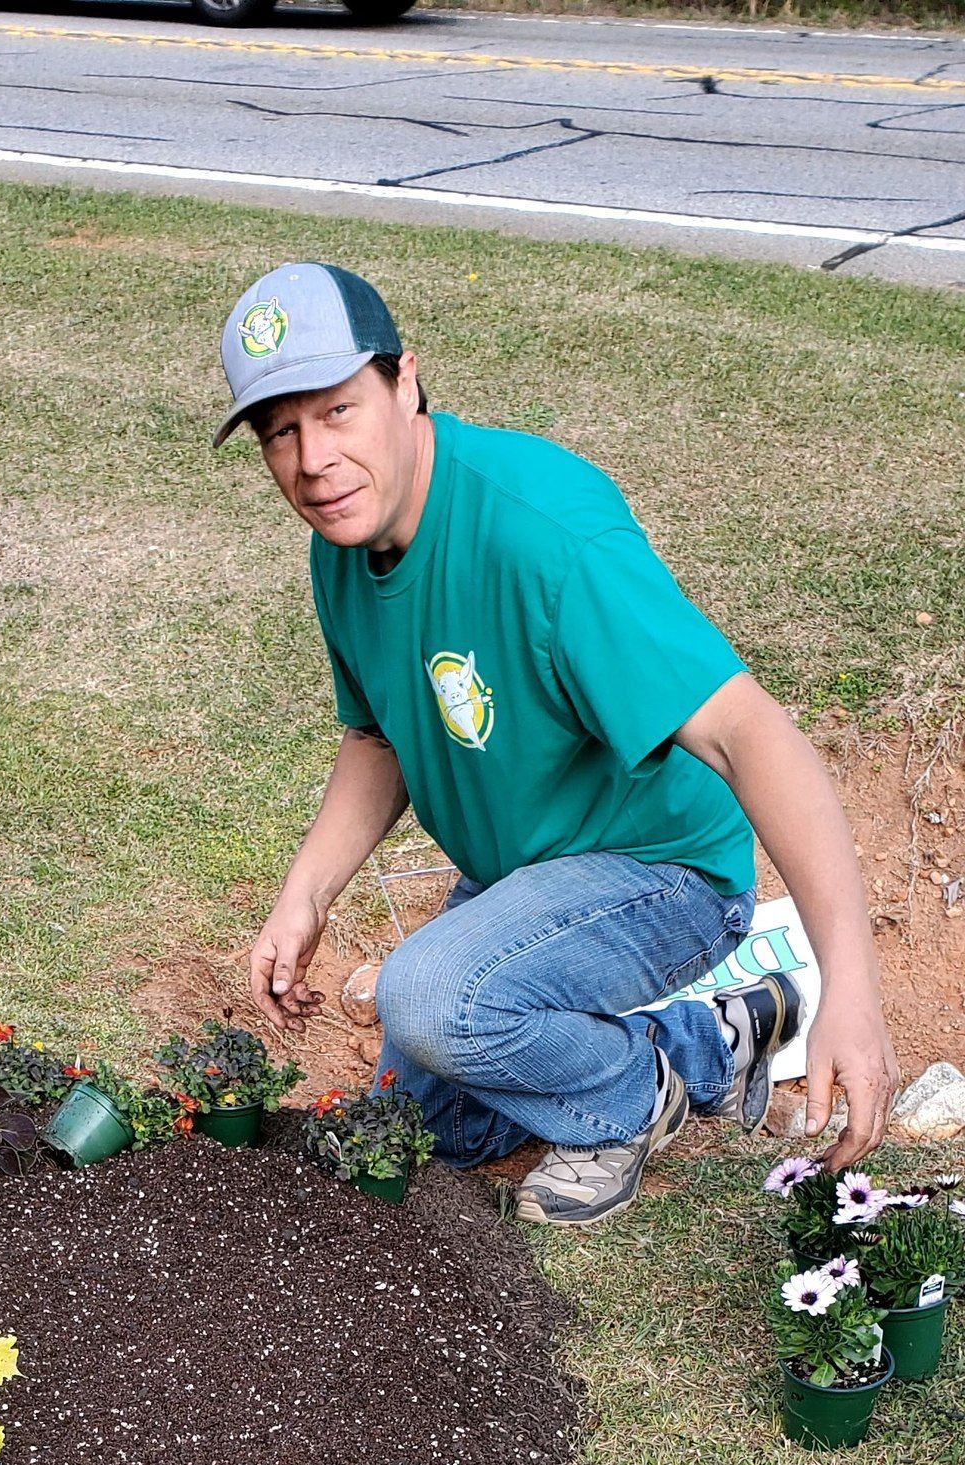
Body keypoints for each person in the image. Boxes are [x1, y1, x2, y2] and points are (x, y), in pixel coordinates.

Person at [215, 262, 899, 1225]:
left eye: (335, 411)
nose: (311, 458)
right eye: (279, 432)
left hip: (662, 869)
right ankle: (711, 1043)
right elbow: (380, 738)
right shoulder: (343, 545)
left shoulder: (545, 532)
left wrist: (852, 987)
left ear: (404, 381)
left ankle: (630, 1099)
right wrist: (304, 894)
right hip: (524, 876)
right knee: (418, 1126)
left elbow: (755, 736)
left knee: (434, 1000)